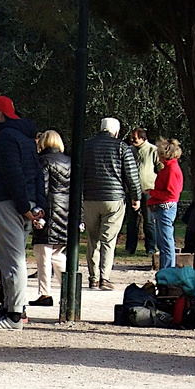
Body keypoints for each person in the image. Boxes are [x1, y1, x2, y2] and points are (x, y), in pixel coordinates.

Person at [0, 94, 45, 330]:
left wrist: (23, 208)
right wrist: (38, 206)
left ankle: (15, 314)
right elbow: (36, 174)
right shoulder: (26, 138)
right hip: (24, 202)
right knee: (11, 257)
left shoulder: (6, 137)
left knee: (12, 259)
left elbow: (12, 174)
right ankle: (9, 307)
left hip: (8, 202)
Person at [81, 117, 141, 291]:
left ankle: (92, 277)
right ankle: (104, 278)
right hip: (114, 199)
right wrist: (135, 197)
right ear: (116, 131)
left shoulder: (86, 146)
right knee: (108, 239)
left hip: (90, 197)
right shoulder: (122, 147)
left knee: (93, 239)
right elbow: (131, 174)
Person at [30, 129, 70, 307]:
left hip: (49, 210)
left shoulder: (42, 161)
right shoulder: (69, 161)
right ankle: (68, 288)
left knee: (43, 253)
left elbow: (42, 188)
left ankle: (45, 293)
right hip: (65, 211)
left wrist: (37, 210)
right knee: (57, 254)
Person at [148, 138, 184, 271]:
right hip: (162, 206)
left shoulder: (171, 170)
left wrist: (152, 193)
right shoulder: (169, 168)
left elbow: (171, 194)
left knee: (166, 241)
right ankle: (165, 269)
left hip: (165, 207)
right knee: (162, 242)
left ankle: (168, 270)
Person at [126, 127, 158, 261]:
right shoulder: (129, 150)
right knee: (131, 221)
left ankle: (150, 247)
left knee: (149, 220)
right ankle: (130, 247)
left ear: (143, 138)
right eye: (132, 138)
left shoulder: (152, 150)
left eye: (135, 138)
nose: (133, 140)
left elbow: (160, 168)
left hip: (148, 190)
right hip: (132, 190)